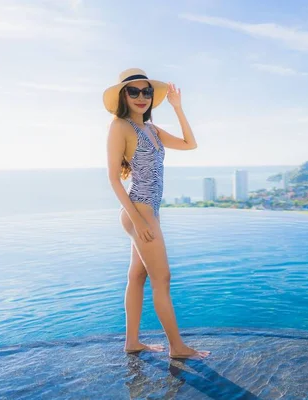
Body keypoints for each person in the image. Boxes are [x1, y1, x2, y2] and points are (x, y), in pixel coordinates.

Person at [104, 68, 210, 360]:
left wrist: (177, 107)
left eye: (146, 91)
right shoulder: (120, 127)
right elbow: (113, 178)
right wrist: (138, 222)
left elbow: (191, 144)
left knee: (137, 276)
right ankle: (177, 347)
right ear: (123, 96)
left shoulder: (152, 130)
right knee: (162, 279)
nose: (141, 97)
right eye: (134, 91)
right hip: (138, 211)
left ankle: (132, 342)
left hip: (150, 212)